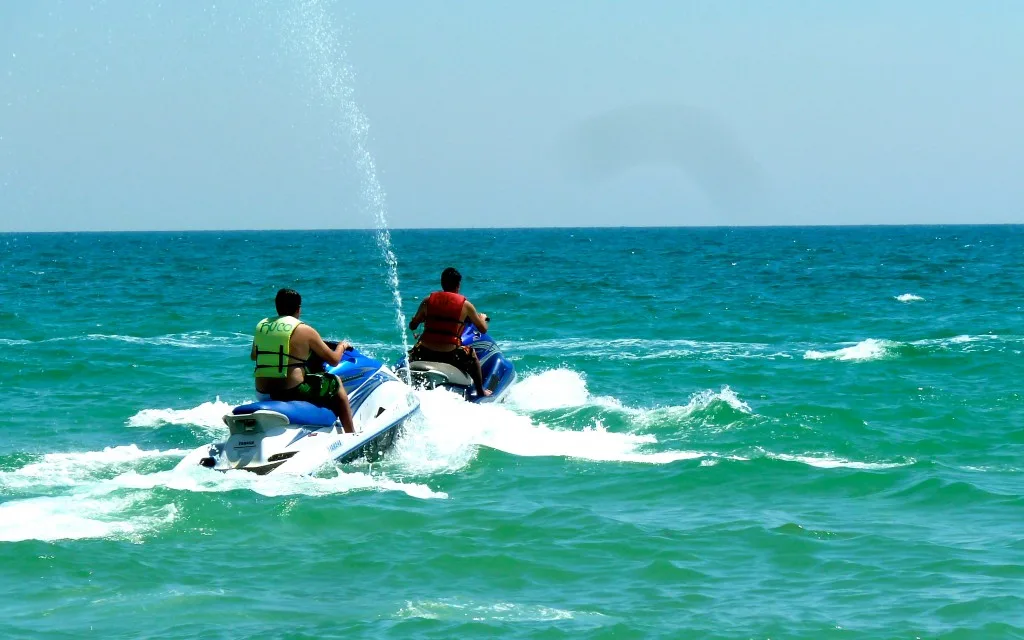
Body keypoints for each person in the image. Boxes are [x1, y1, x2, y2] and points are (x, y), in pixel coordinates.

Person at [250, 288, 356, 433]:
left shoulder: (262, 326)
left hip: (262, 392)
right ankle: (351, 433)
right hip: (291, 392)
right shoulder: (305, 330)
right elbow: (334, 360)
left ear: (277, 307)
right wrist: (341, 346)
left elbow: (255, 356)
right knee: (335, 381)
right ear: (298, 309)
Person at [408, 267, 492, 397]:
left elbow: (413, 326)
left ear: (442, 283)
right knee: (472, 355)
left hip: (425, 352)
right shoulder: (465, 305)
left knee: (411, 352)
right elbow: (483, 329)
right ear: (458, 285)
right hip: (449, 354)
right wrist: (482, 318)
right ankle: (481, 391)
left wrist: (418, 319)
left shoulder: (427, 300)